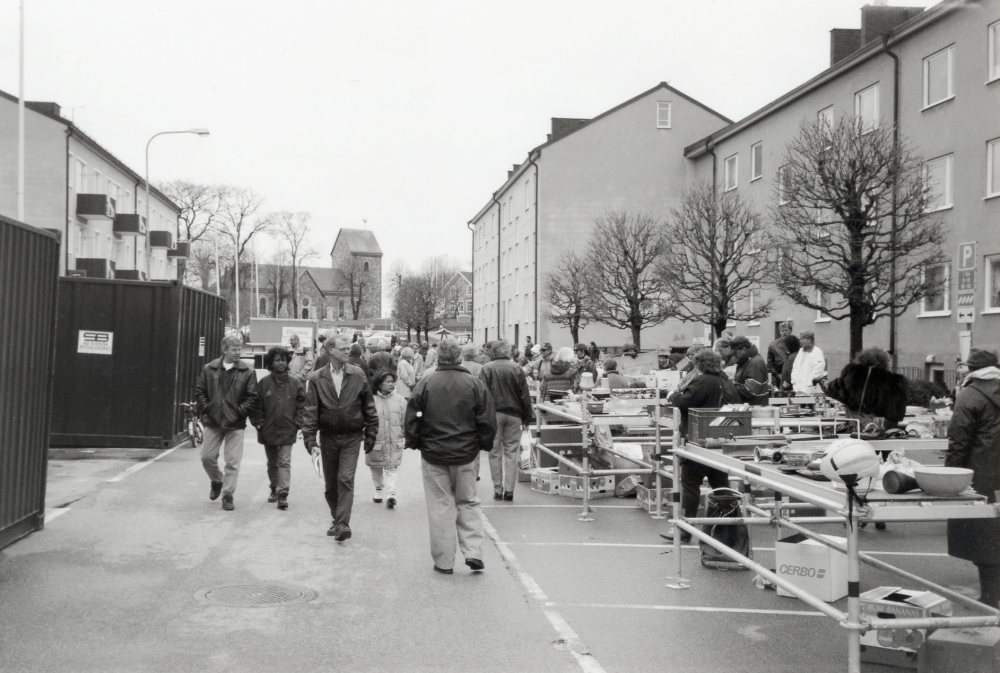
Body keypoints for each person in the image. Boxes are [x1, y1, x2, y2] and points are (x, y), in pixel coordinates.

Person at [405, 340, 497, 574]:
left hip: (434, 450)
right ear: (459, 358)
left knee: (440, 505)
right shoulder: (474, 384)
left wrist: (415, 440)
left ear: (438, 359)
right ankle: (474, 551)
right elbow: (486, 417)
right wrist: (483, 444)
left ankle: (444, 561)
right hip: (466, 451)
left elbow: (415, 413)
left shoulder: (426, 383)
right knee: (468, 501)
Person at [302, 334, 379, 541]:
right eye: (342, 348)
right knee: (331, 485)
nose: (347, 351)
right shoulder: (317, 378)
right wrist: (310, 439)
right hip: (328, 437)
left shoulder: (358, 374)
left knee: (345, 479)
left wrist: (371, 432)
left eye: (348, 348)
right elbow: (310, 411)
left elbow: (369, 406)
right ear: (330, 350)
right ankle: (337, 519)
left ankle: (343, 523)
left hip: (352, 436)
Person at [662, 349, 741, 542]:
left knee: (690, 485)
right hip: (718, 437)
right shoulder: (724, 381)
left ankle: (686, 529)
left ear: (699, 364)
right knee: (720, 484)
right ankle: (733, 527)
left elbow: (684, 402)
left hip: (697, 438)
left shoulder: (703, 381)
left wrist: (672, 395)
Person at [944, 348, 1000, 608]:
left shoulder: (970, 394)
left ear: (970, 369)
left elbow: (959, 440)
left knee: (985, 535)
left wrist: (950, 477)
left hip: (983, 473)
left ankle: (990, 597)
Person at [195, 334, 260, 511]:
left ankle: (228, 495)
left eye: (240, 349)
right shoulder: (209, 369)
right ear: (225, 350)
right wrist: (208, 408)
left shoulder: (247, 372)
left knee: (232, 462)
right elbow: (200, 391)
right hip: (213, 422)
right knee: (206, 457)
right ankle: (217, 480)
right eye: (234, 349)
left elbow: (252, 397)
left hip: (236, 423)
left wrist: (239, 412)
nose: (238, 352)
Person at [250, 346, 305, 510]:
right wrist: (259, 423)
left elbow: (303, 405)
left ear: (288, 361)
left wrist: (298, 422)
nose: (280, 363)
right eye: (277, 360)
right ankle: (274, 487)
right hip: (268, 429)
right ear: (271, 363)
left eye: (283, 360)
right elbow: (255, 405)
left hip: (288, 428)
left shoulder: (295, 384)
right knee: (272, 462)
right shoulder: (264, 383)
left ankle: (282, 494)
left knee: (284, 462)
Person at [478, 340, 534, 501]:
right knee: (511, 452)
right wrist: (527, 417)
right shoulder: (517, 368)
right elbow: (525, 395)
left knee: (494, 452)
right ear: (508, 352)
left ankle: (497, 489)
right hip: (514, 414)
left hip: (493, 414)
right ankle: (509, 490)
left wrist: (481, 417)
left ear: (494, 353)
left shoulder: (486, 369)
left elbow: (482, 394)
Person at [821, 347, 907, 433]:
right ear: (885, 362)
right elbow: (896, 414)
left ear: (862, 359)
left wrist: (822, 381)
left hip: (858, 428)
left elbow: (834, 389)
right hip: (885, 430)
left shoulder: (853, 374)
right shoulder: (896, 381)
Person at [367, 370, 407, 508]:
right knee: (375, 466)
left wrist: (406, 434)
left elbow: (405, 420)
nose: (391, 384)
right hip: (376, 440)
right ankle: (378, 489)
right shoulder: (370, 399)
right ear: (379, 384)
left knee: (392, 467)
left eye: (392, 381)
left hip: (394, 439)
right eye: (388, 382)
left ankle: (391, 494)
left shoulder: (400, 400)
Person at [730, 336, 770, 406]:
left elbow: (750, 390)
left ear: (744, 349)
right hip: (754, 406)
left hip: (755, 408)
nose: (734, 356)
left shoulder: (754, 363)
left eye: (735, 353)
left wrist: (730, 386)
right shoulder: (749, 361)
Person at [790, 330, 826, 395]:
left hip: (810, 390)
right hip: (798, 389)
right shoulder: (801, 351)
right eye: (800, 339)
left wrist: (809, 384)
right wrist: (794, 381)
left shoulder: (817, 352)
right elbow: (795, 366)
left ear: (809, 340)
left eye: (803, 339)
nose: (800, 341)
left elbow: (818, 370)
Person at [767, 321, 793, 387]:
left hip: (794, 376)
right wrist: (777, 375)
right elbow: (770, 363)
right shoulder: (773, 345)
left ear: (790, 331)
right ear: (780, 332)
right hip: (780, 376)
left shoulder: (796, 343)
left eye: (786, 330)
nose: (784, 332)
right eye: (782, 331)